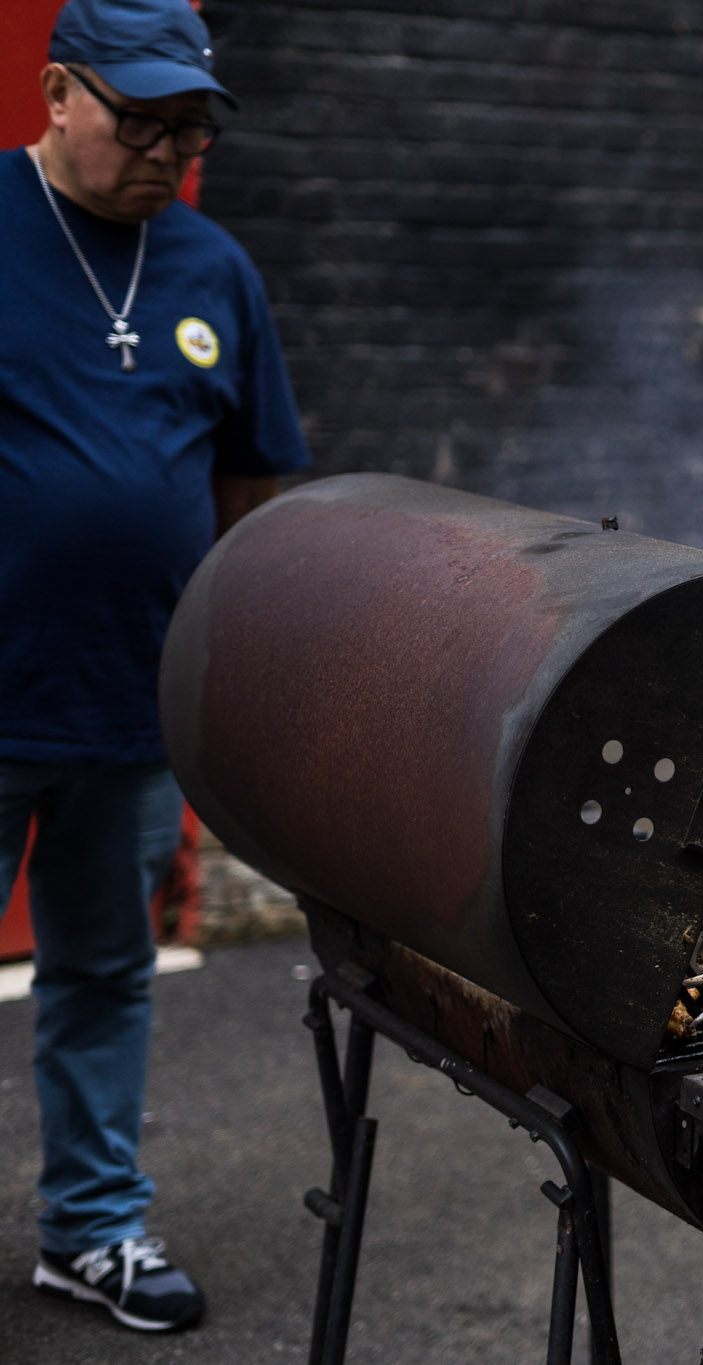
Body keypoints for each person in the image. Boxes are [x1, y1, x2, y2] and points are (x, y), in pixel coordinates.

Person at [0, 0, 309, 1333]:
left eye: (190, 128)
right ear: (60, 92)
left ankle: (90, 1228)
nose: (170, 153)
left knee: (104, 975)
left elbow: (250, 483)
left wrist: (224, 675)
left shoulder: (213, 269)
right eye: (144, 122)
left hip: (131, 704)